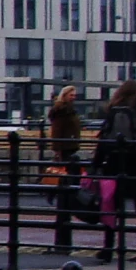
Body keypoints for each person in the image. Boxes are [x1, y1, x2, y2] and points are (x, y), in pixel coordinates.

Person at [92, 78, 136, 266]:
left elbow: (103, 140)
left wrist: (96, 164)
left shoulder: (113, 111)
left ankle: (108, 249)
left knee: (111, 209)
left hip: (114, 164)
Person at [47, 84, 83, 222]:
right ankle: (57, 195)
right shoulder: (62, 111)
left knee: (64, 172)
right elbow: (57, 130)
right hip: (65, 145)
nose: (73, 98)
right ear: (65, 95)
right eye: (71, 95)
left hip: (70, 144)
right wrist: (57, 148)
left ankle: (57, 194)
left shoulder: (69, 110)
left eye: (74, 95)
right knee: (65, 172)